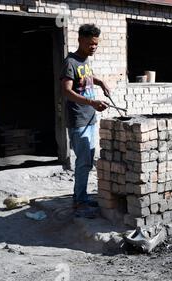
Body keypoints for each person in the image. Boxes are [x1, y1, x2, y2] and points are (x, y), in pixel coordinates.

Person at [60, 24, 110, 218]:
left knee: (88, 161)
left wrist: (101, 82)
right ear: (80, 40)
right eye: (90, 43)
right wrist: (91, 101)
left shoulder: (85, 60)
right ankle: (79, 202)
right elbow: (66, 90)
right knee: (83, 163)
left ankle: (82, 197)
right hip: (78, 120)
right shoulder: (70, 62)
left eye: (96, 44)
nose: (93, 47)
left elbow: (86, 76)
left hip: (89, 118)